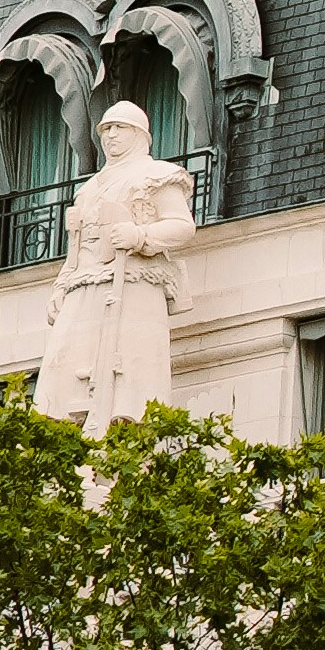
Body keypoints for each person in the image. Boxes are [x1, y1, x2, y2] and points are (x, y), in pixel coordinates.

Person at [38, 108, 196, 438]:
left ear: (139, 134)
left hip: (133, 284)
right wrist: (61, 286)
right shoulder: (89, 188)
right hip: (83, 287)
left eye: (119, 127)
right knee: (64, 381)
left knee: (128, 381)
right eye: (106, 129)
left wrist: (140, 236)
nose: (111, 135)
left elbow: (182, 226)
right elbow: (76, 248)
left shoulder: (156, 175)